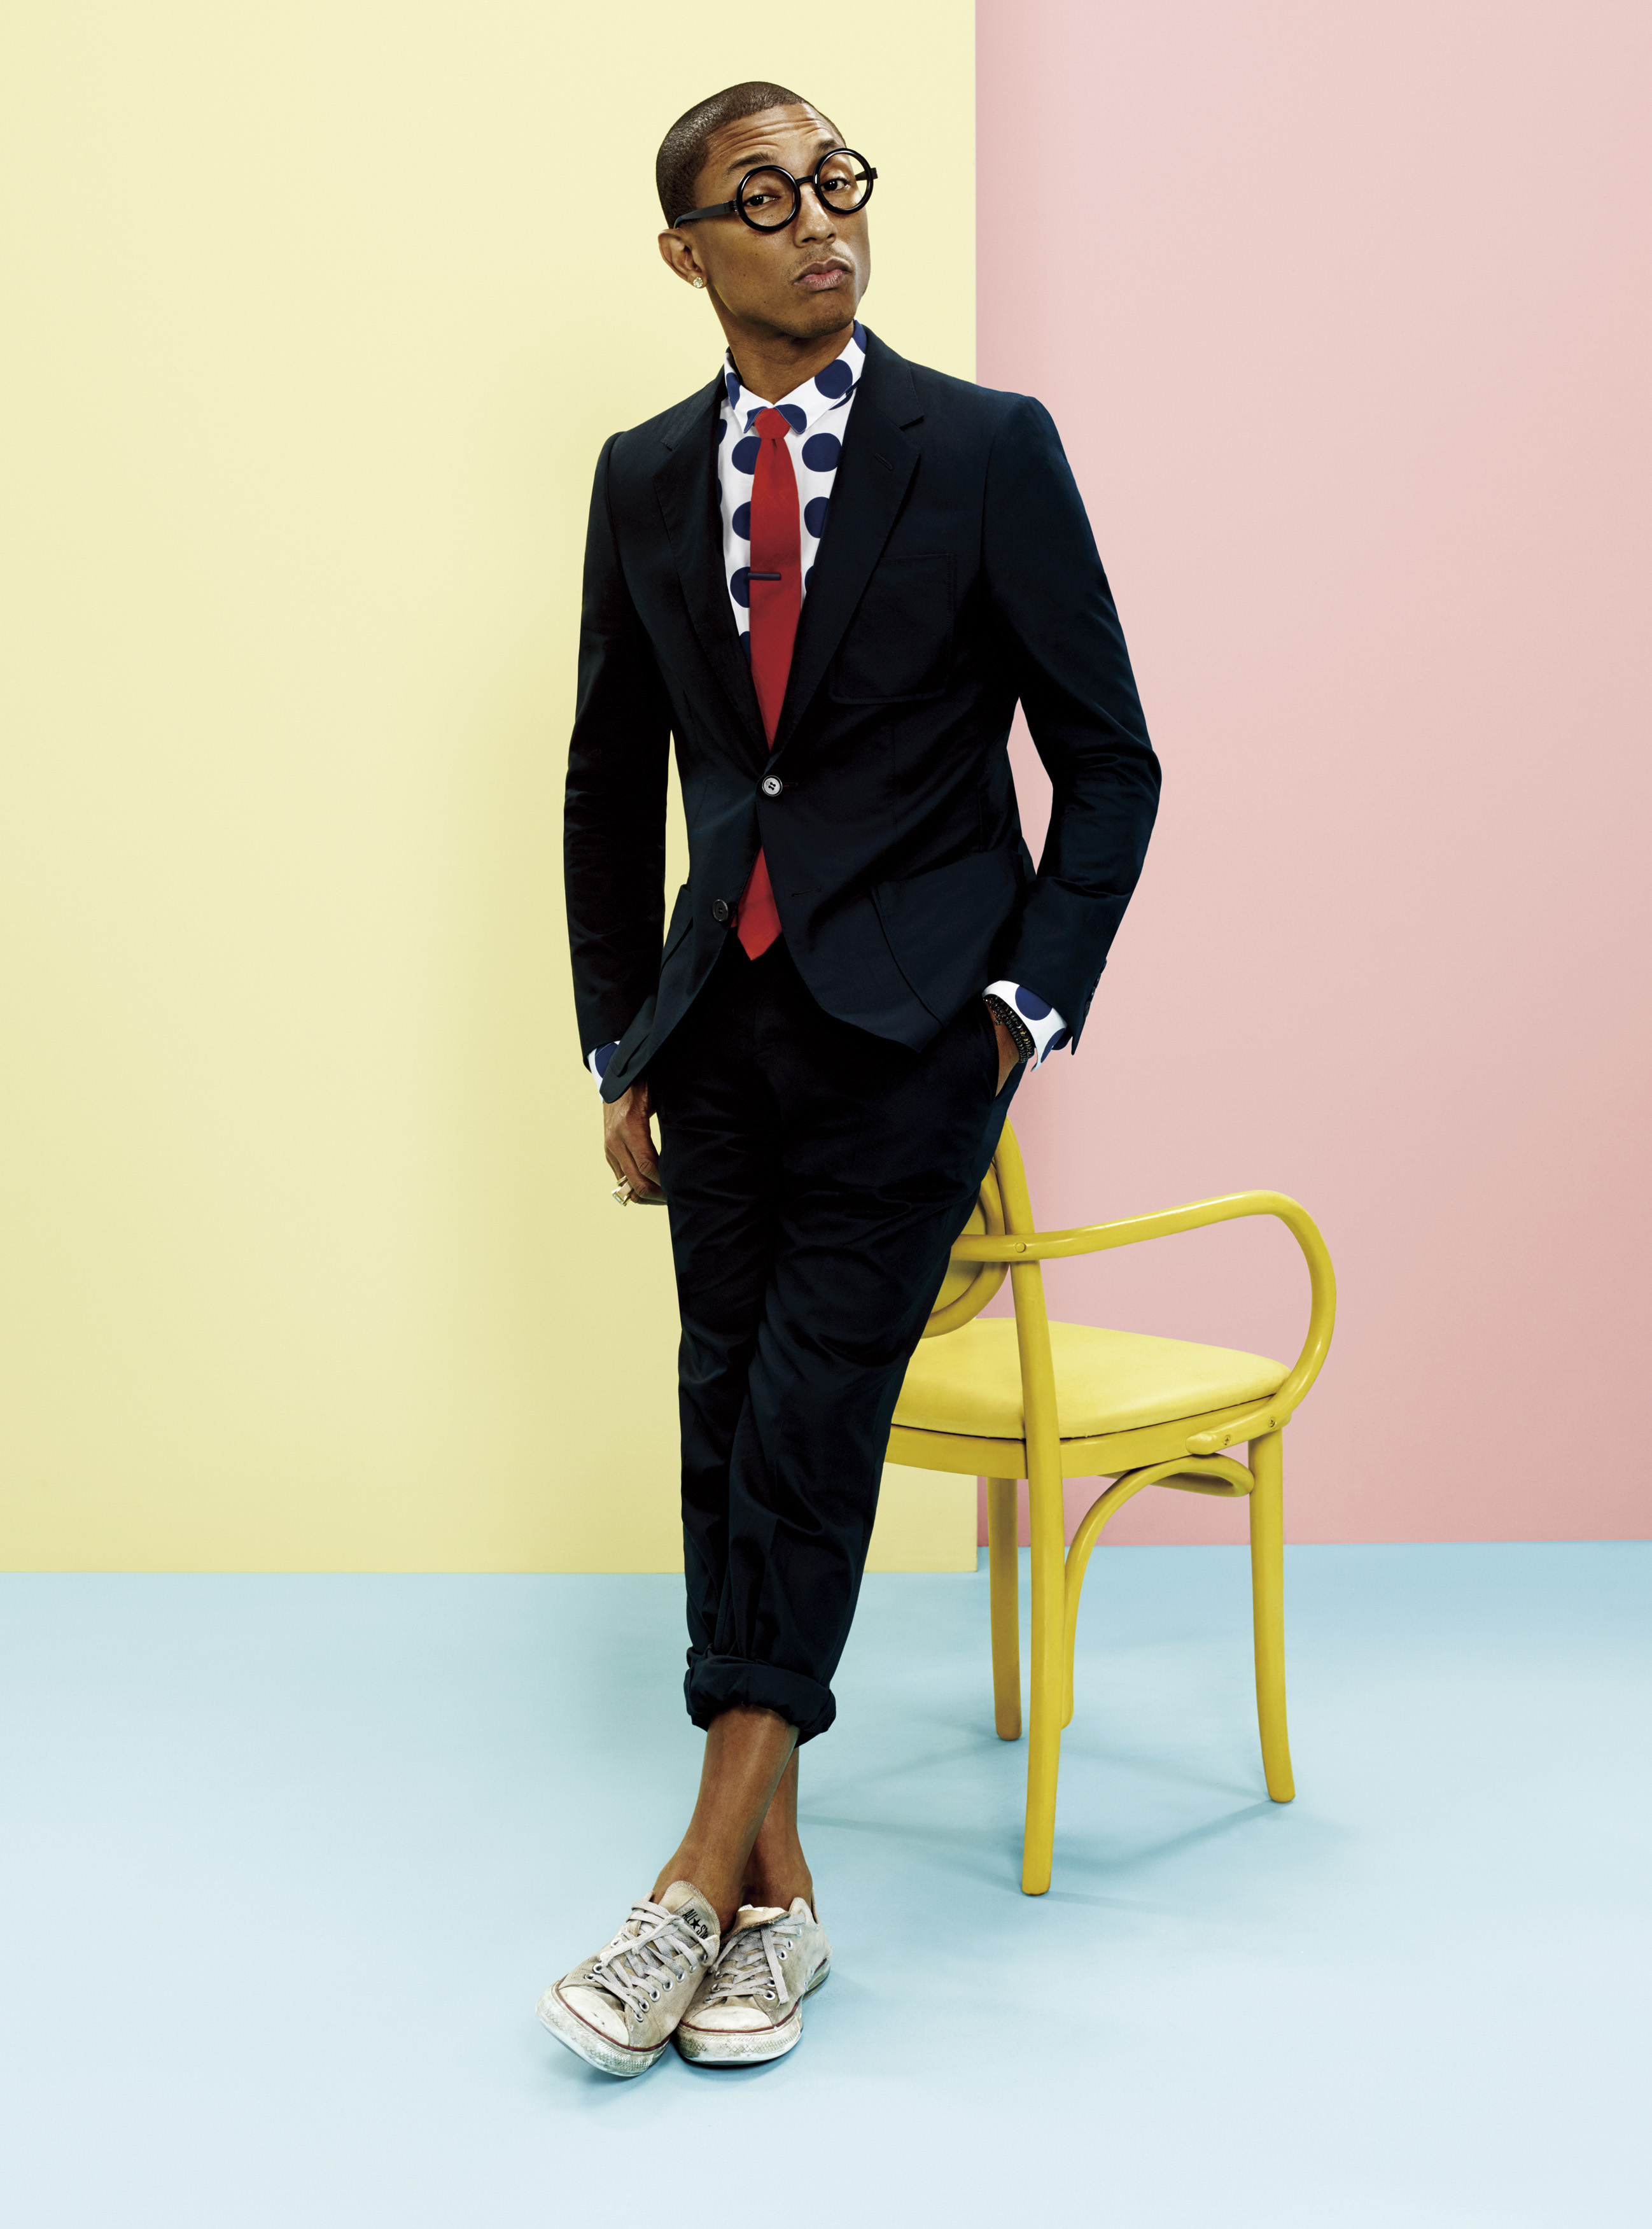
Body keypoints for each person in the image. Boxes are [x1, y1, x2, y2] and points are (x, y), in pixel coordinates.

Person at [538, 80, 1159, 2076]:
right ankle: (778, 1904)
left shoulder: (980, 449)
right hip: (713, 1032)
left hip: (914, 1035)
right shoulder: (645, 476)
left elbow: (1109, 758)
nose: (819, 220)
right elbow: (605, 776)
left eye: (835, 182)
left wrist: (1020, 1010)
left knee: (808, 1419)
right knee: (721, 1417)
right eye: (763, 197)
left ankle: (682, 1883)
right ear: (685, 252)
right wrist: (618, 1040)